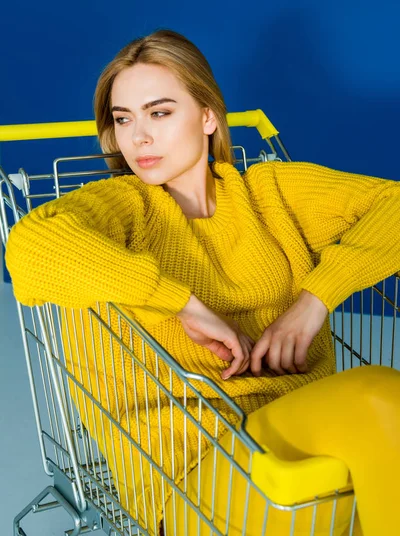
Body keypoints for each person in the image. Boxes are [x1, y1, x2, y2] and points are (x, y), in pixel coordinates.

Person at [5, 29, 400, 535]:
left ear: (208, 116)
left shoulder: (269, 191)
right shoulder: (122, 209)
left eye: (160, 112)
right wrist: (181, 304)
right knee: (377, 399)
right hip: (192, 472)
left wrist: (316, 300)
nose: (138, 137)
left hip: (302, 431)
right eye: (123, 119)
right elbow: (31, 248)